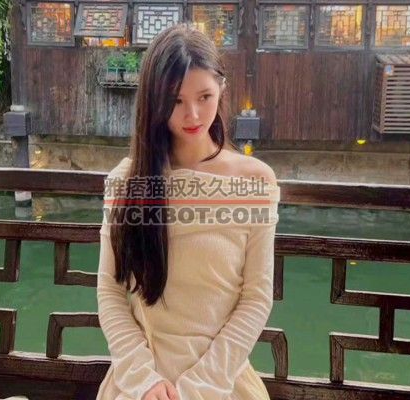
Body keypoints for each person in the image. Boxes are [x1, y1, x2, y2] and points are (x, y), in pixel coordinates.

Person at [96, 23, 280, 400]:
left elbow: (256, 298)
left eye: (204, 97)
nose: (192, 114)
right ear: (154, 101)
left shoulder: (255, 180)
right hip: (140, 383)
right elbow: (110, 291)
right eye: (175, 101)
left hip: (223, 383)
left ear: (221, 89)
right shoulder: (128, 183)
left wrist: (198, 388)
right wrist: (144, 380)